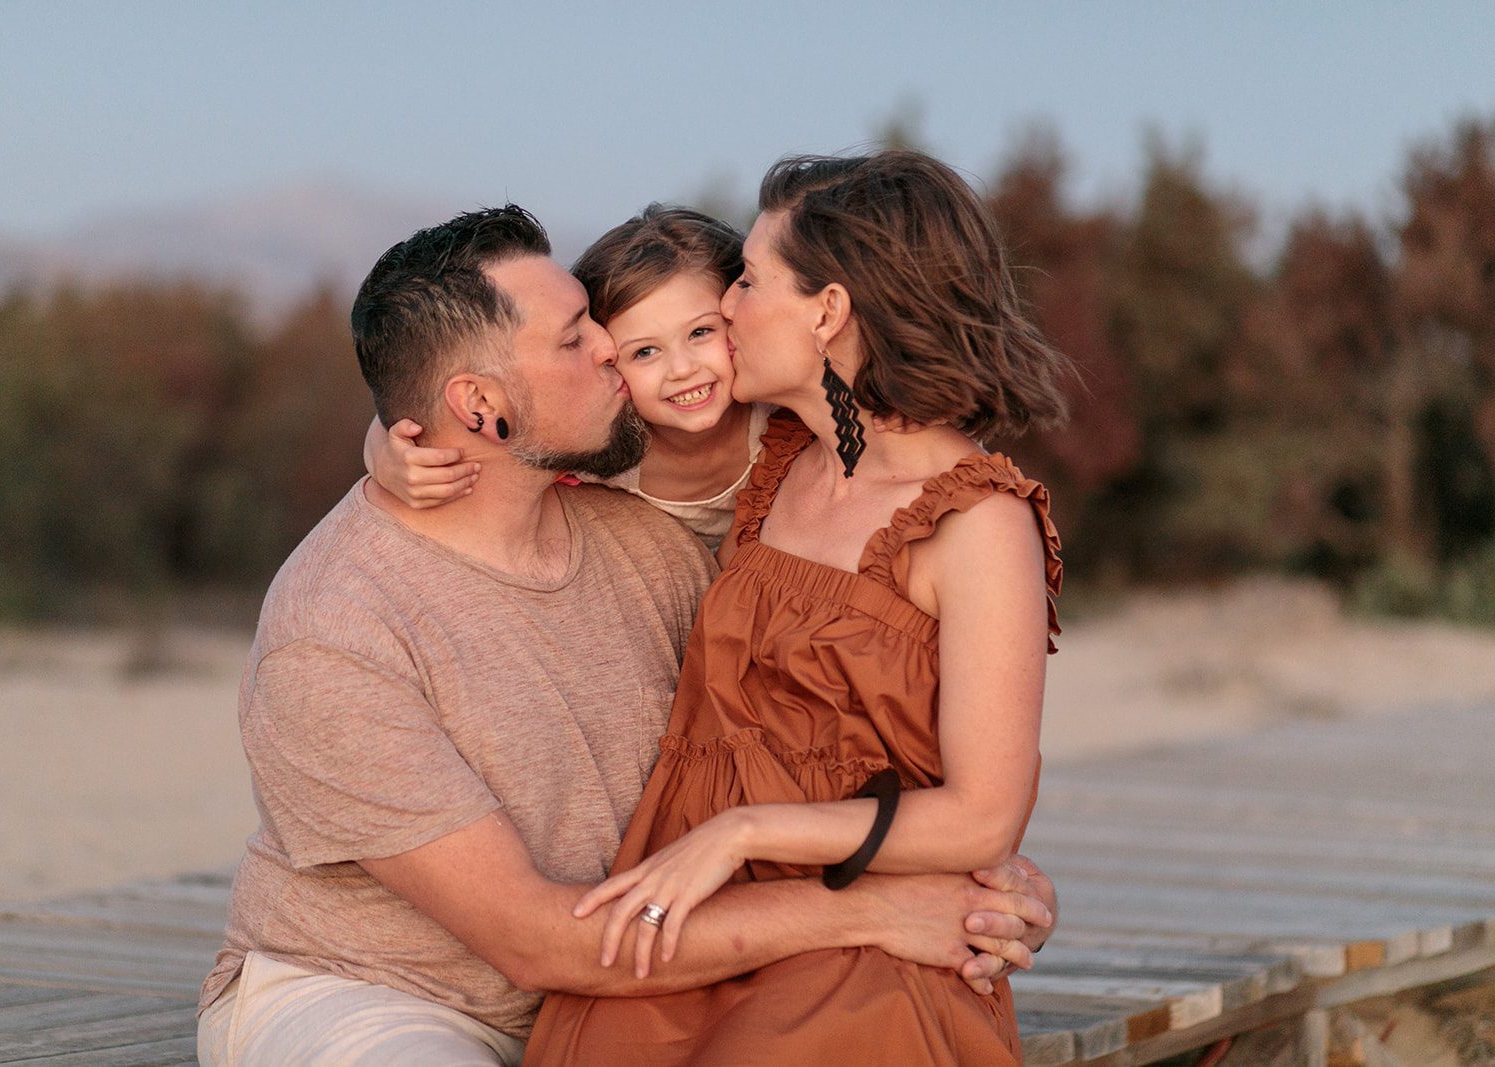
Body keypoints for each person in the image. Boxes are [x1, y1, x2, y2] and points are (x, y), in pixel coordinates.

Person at [197, 204, 1057, 1066]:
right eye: (579, 338)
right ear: (481, 404)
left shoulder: (657, 536)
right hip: (386, 995)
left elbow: (820, 719)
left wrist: (977, 877)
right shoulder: (337, 634)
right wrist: (876, 906)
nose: (614, 349)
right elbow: (535, 941)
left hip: (653, 972)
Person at [525, 150, 1071, 1066]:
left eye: (746, 279)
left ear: (828, 311)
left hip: (864, 941)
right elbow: (519, 420)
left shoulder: (977, 522)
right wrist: (390, 443)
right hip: (694, 921)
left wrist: (739, 831)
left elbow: (983, 818)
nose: (727, 307)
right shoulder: (774, 460)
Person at [365, 204, 766, 552]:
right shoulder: (608, 445)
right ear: (613, 361)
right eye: (644, 352)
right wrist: (384, 454)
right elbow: (433, 399)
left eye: (701, 333)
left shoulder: (774, 408)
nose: (683, 369)